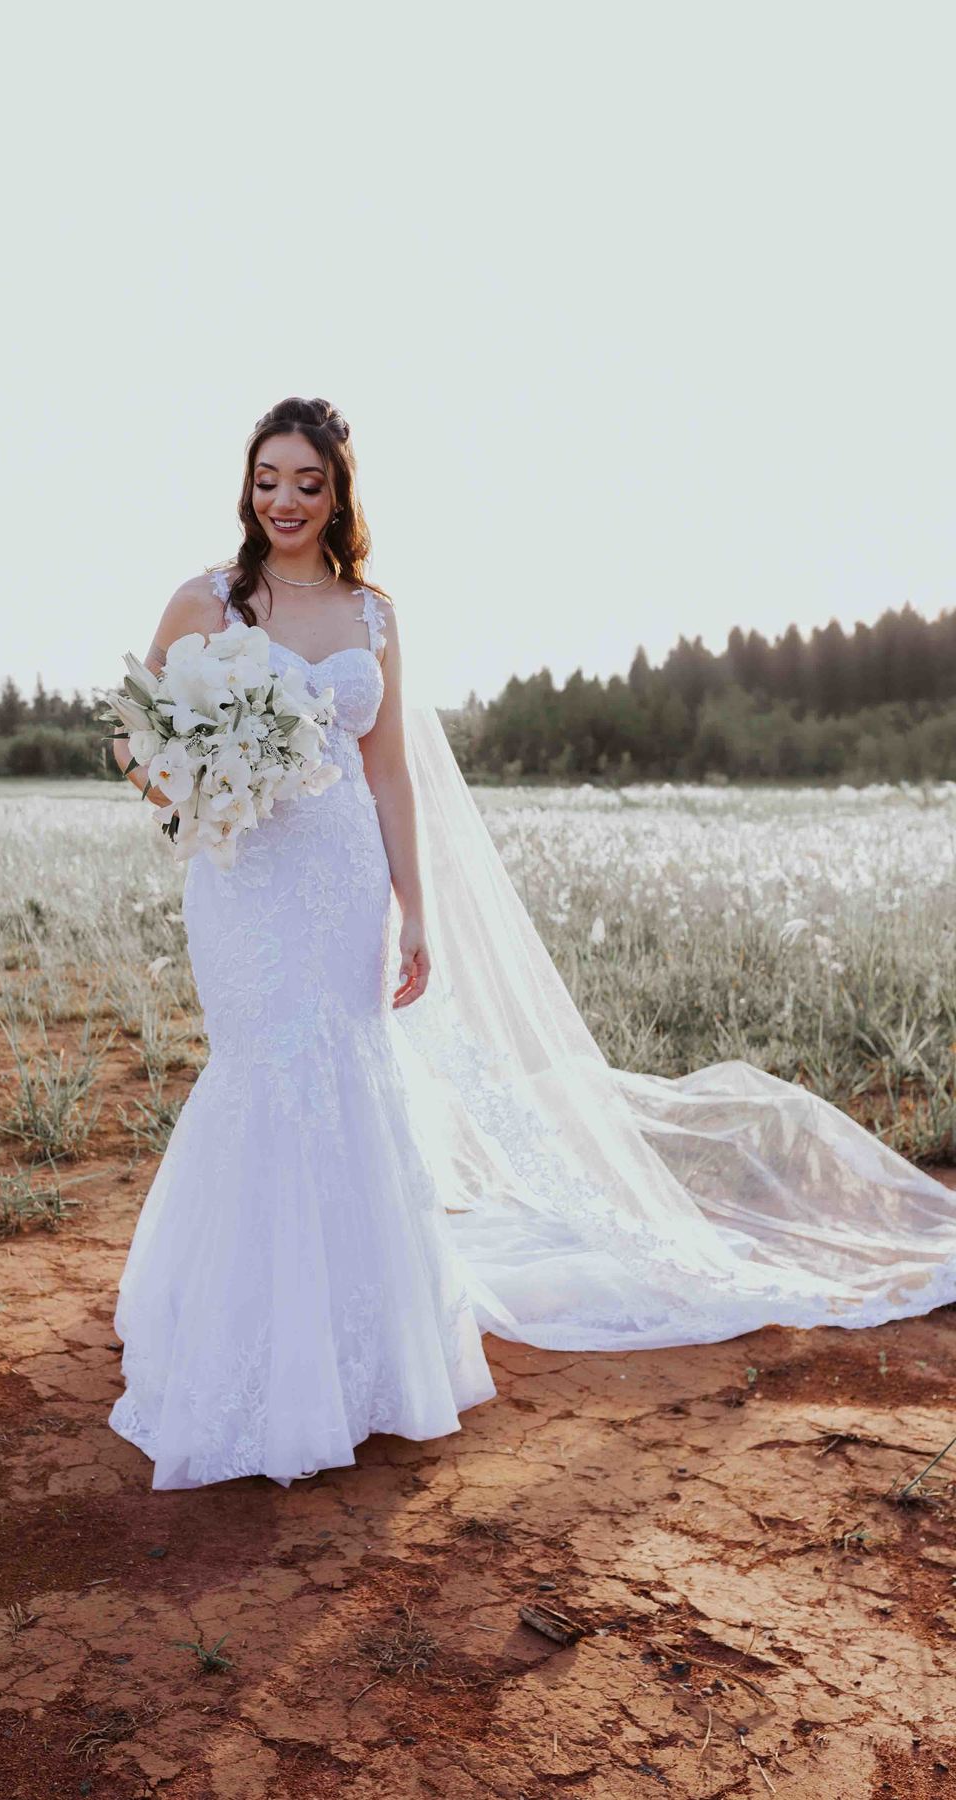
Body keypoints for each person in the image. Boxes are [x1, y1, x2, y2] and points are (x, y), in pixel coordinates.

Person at [108, 394, 956, 1492]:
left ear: (339, 493)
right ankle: (243, 1338)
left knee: (349, 1074)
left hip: (342, 880)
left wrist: (415, 908)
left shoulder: (374, 616)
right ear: (246, 486)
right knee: (266, 1069)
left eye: (307, 483)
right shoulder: (205, 600)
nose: (285, 501)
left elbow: (390, 773)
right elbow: (137, 740)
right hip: (246, 881)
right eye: (268, 479)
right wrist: (195, 787)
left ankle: (359, 1359)